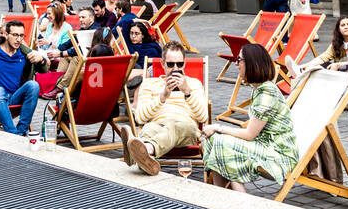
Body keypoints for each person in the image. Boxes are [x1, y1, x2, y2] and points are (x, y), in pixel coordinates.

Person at [201, 43, 299, 191]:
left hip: (279, 155)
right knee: (215, 139)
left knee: (220, 140)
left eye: (239, 59)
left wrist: (217, 127)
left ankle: (238, 200)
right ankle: (219, 194)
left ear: (251, 63)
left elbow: (249, 134)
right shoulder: (261, 89)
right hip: (264, 145)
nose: (236, 64)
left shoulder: (267, 94)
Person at [118, 41, 207, 176]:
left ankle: (144, 149)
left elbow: (203, 117)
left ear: (185, 63)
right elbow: (140, 118)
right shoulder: (150, 84)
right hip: (156, 126)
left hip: (186, 128)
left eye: (180, 64)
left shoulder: (194, 83)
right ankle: (147, 161)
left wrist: (187, 92)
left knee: (172, 126)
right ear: (162, 64)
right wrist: (162, 97)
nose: (175, 68)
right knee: (148, 129)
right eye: (170, 64)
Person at [307, 15, 348, 89]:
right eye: (343, 25)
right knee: (321, 65)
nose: (346, 27)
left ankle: (332, 89)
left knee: (342, 67)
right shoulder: (337, 41)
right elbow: (325, 56)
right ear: (339, 29)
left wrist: (339, 65)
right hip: (343, 72)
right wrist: (308, 65)